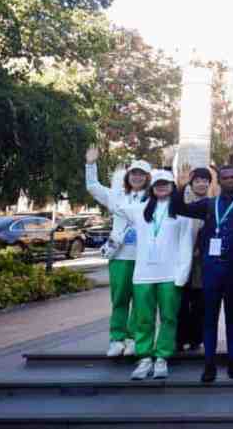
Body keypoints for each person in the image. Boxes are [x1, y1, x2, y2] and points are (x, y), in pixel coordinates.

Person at [169, 164, 233, 382]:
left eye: (232, 177)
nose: (228, 180)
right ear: (219, 181)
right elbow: (179, 208)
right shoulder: (209, 204)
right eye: (224, 177)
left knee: (232, 317)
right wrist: (180, 185)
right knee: (210, 318)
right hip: (211, 270)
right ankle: (209, 364)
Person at [126, 169, 195, 380]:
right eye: (157, 184)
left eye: (165, 183)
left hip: (169, 275)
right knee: (143, 318)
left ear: (172, 186)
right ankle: (144, 357)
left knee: (168, 318)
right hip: (143, 274)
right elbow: (113, 202)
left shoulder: (182, 213)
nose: (161, 187)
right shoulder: (139, 210)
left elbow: (186, 246)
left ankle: (162, 357)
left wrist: (182, 274)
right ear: (151, 188)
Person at [84, 147, 152, 357]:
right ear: (128, 176)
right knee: (120, 298)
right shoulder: (116, 196)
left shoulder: (154, 197)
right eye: (134, 173)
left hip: (144, 257)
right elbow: (93, 186)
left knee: (141, 300)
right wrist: (90, 164)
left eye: (141, 174)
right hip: (120, 256)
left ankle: (133, 338)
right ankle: (117, 339)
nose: (137, 177)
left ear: (147, 177)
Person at [175, 167, 214, 354]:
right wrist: (180, 186)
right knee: (181, 301)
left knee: (200, 303)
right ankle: (179, 339)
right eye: (198, 180)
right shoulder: (184, 201)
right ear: (191, 183)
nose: (202, 183)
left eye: (205, 180)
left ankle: (196, 339)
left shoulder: (213, 203)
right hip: (182, 258)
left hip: (203, 261)